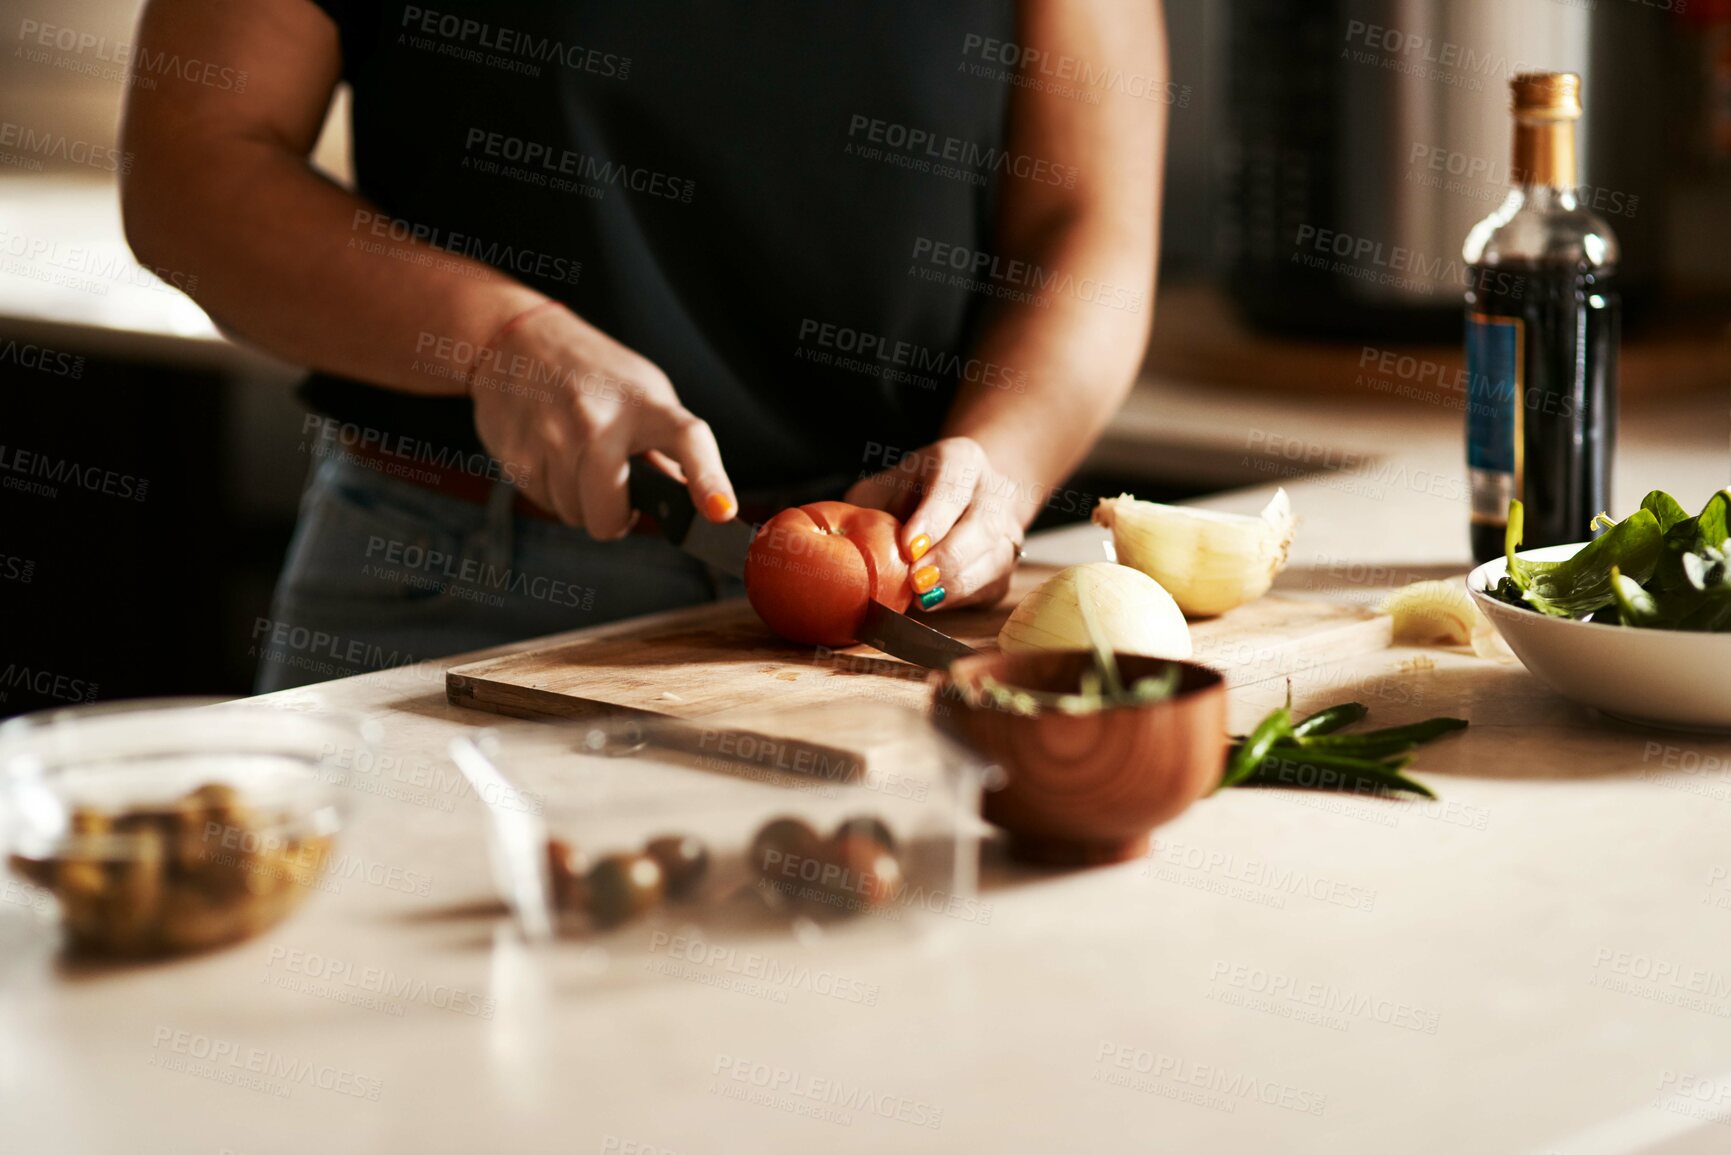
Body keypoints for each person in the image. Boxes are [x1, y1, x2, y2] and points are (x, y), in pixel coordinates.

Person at [119, 0, 1167, 691]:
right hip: (454, 596)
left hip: (886, 622)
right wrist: (500, 338)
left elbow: (1087, 222)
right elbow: (190, 170)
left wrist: (1004, 469)